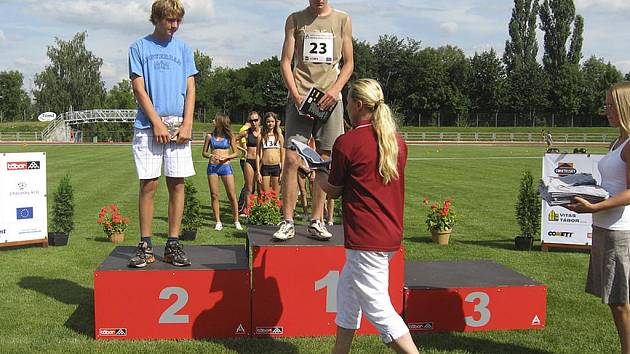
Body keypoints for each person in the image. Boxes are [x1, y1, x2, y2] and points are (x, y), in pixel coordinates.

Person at [313, 79, 418, 354]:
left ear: (358, 105)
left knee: (379, 309)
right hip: (388, 233)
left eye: (347, 102)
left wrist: (317, 171)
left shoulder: (346, 142)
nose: (346, 107)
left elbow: (333, 191)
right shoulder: (396, 142)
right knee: (347, 295)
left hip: (365, 238)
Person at [274, 0, 354, 241]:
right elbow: (286, 62)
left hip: (330, 100)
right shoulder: (295, 19)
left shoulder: (342, 20)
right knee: (291, 157)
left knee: (325, 159)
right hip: (300, 97)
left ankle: (316, 220)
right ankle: (287, 220)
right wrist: (296, 96)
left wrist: (335, 90)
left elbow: (348, 63)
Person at [127, 0, 196, 268]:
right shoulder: (139, 48)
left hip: (179, 124)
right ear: (156, 18)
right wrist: (155, 121)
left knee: (177, 183)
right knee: (149, 183)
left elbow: (191, 88)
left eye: (178, 21)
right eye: (169, 20)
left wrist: (188, 122)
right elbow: (138, 88)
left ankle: (173, 244)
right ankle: (145, 245)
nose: (174, 26)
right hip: (148, 125)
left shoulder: (184, 49)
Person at [566, 82, 630, 354]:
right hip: (604, 226)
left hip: (619, 230)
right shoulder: (617, 141)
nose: (606, 110)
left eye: (611, 105)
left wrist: (596, 207)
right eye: (605, 105)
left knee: (621, 302)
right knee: (616, 302)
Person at [202, 113, 242, 231]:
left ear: (221, 122)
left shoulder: (230, 137)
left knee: (232, 195)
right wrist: (210, 155)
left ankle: (236, 220)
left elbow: (236, 152)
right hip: (212, 167)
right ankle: (218, 221)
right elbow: (203, 152)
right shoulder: (209, 136)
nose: (213, 120)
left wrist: (227, 157)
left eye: (215, 119)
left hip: (226, 167)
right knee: (214, 195)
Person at [237, 112, 261, 211]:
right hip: (249, 161)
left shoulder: (263, 132)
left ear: (259, 120)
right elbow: (233, 140)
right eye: (251, 121)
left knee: (260, 189)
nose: (254, 123)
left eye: (256, 120)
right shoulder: (246, 132)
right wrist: (243, 150)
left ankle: (261, 210)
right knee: (249, 188)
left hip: (260, 162)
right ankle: (248, 211)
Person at [257, 112, 285, 195]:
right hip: (265, 167)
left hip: (276, 167)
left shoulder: (279, 136)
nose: (270, 123)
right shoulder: (261, 136)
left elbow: (283, 155)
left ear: (275, 122)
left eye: (272, 121)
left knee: (275, 196)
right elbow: (258, 155)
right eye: (268, 121)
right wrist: (258, 172)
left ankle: (276, 208)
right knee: (265, 195)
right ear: (265, 123)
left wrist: (282, 171)